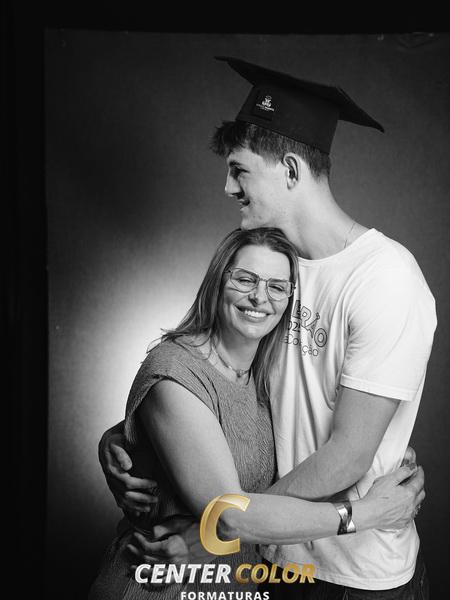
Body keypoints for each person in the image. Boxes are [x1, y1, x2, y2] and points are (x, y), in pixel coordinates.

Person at [99, 57, 436, 598]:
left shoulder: (385, 277)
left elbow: (348, 456)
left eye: (239, 170)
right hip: (274, 564)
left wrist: (218, 528)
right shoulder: (277, 272)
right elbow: (212, 384)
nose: (227, 187)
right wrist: (130, 441)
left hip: (354, 573)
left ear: (291, 172)